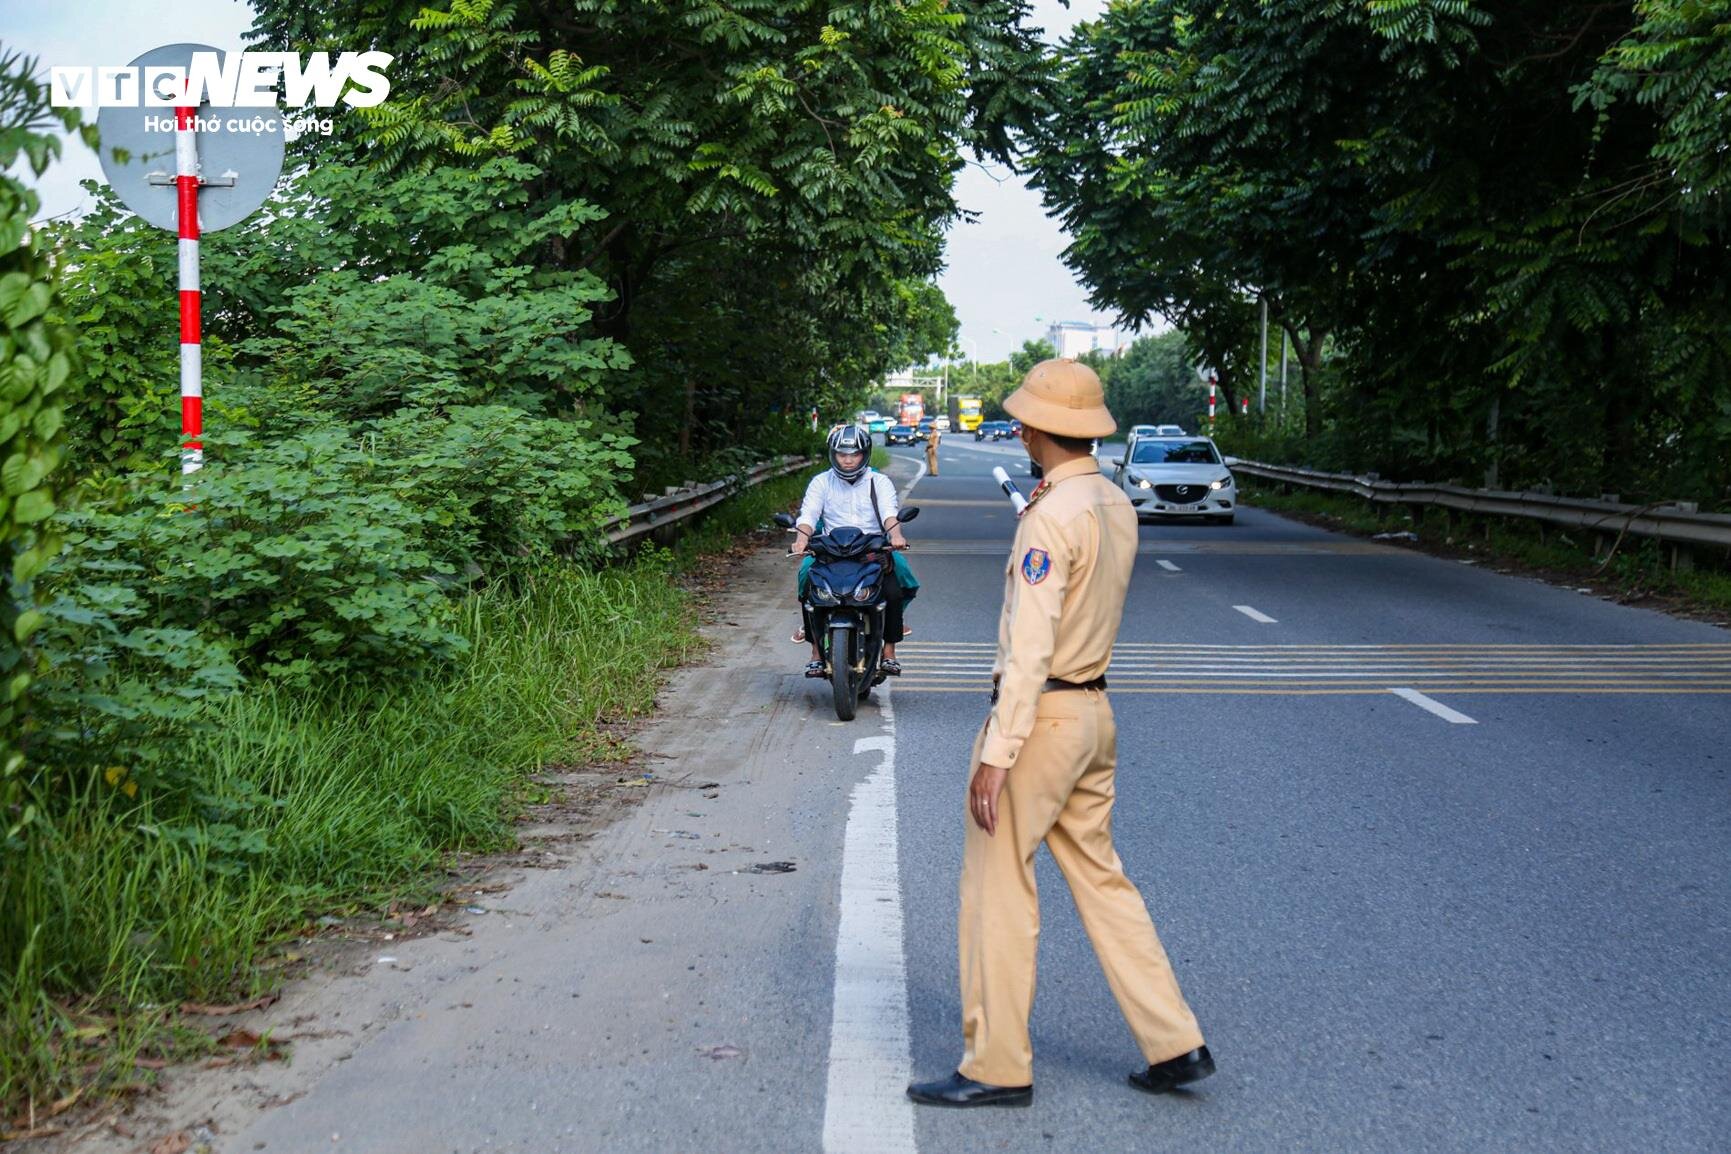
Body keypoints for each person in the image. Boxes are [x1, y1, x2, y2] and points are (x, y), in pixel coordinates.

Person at [907, 359, 1212, 1109]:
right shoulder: (1111, 502)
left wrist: (996, 752)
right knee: (1102, 879)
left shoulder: (1049, 514)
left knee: (997, 886)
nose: (1017, 426)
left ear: (1040, 429)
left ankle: (996, 1065)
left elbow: (1031, 645)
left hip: (1042, 716)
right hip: (1093, 714)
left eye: (1024, 418)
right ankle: (1173, 1041)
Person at [790, 424, 909, 678]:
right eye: (842, 454)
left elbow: (889, 513)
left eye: (853, 454)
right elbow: (809, 514)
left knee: (894, 590)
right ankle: (815, 653)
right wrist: (801, 540)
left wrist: (896, 535)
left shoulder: (879, 482)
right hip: (831, 551)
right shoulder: (821, 482)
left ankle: (889, 652)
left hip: (872, 550)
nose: (847, 460)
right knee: (808, 586)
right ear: (833, 455)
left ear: (864, 454)